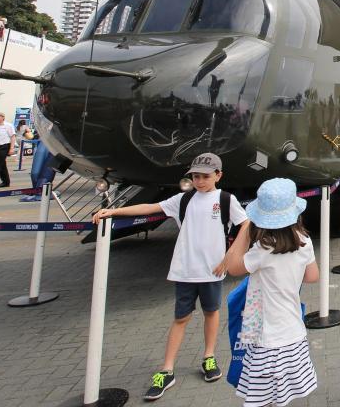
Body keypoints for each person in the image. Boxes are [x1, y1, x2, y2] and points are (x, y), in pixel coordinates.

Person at [94, 153, 250, 400]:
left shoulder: (226, 200)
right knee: (180, 318)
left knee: (212, 312)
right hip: (185, 270)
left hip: (211, 270)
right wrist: (113, 212)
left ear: (218, 176)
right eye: (195, 176)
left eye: (205, 176)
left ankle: (209, 357)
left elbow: (246, 224)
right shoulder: (183, 199)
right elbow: (151, 207)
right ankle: (167, 369)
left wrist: (230, 256)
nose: (199, 181)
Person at [222, 178, 320, 406]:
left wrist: (245, 229)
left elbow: (233, 266)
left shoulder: (263, 248)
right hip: (293, 333)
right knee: (281, 398)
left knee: (262, 400)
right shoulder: (304, 241)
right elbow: (312, 276)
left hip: (266, 339)